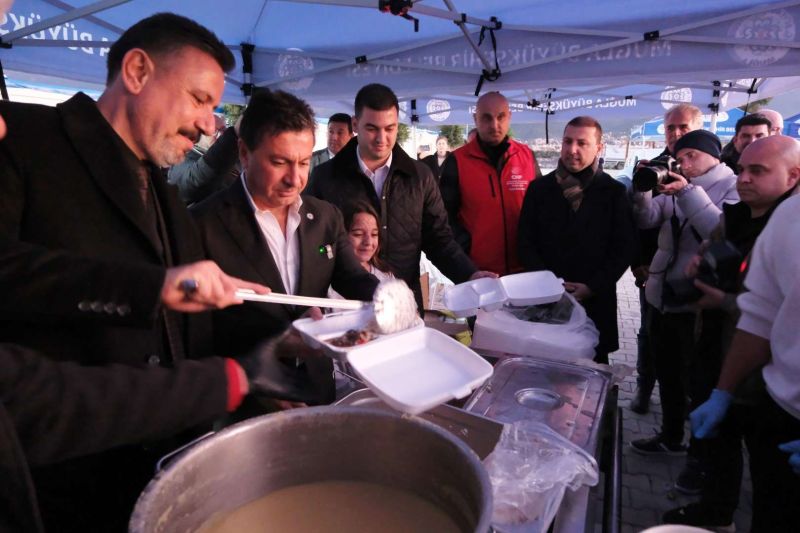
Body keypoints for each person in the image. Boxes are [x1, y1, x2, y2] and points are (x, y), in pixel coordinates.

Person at [0, 13, 308, 531]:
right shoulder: (24, 142)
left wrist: (286, 347)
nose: (210, 124)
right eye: (199, 99)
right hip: (60, 491)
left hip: (166, 476)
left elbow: (188, 330)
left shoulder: (165, 191)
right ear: (138, 71)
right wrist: (151, 288)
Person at [662, 136, 800, 530]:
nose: (744, 179)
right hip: (726, 350)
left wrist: (724, 300)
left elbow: (774, 316)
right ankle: (717, 510)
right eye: (742, 169)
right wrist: (699, 267)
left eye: (758, 171)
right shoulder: (742, 218)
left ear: (794, 176)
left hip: (766, 371)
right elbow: (761, 312)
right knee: (725, 445)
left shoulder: (782, 220)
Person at [192, 90, 379, 358]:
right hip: (247, 389)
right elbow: (197, 331)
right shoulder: (203, 224)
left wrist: (386, 296)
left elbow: (352, 278)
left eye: (304, 163)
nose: (295, 179)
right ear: (244, 153)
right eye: (280, 162)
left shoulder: (326, 217)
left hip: (315, 382)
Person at [305, 83, 494, 310]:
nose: (381, 138)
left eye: (390, 128)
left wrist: (469, 274)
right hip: (344, 309)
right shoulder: (325, 177)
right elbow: (312, 245)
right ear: (355, 124)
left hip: (404, 307)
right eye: (372, 128)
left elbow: (439, 240)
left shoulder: (420, 177)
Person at [691, 185, 800, 533]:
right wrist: (723, 391)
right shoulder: (788, 217)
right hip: (781, 410)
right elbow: (760, 316)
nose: (746, 178)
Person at [630, 129, 739, 457]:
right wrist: (642, 189)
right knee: (667, 373)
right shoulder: (675, 182)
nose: (685, 162)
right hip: (663, 294)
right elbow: (647, 219)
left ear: (714, 156)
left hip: (699, 304)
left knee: (697, 380)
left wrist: (688, 191)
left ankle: (700, 452)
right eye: (681, 156)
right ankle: (670, 434)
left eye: (692, 155)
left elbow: (720, 234)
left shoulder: (732, 186)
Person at [517, 116, 635, 365]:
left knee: (591, 378)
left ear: (599, 148)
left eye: (582, 143)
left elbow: (624, 249)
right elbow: (525, 242)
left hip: (595, 303)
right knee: (543, 373)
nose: (572, 150)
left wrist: (592, 286)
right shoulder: (539, 189)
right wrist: (550, 284)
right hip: (546, 302)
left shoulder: (613, 193)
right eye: (568, 141)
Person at [630, 103, 704, 414]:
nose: (675, 133)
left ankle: (685, 399)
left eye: (683, 127)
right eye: (670, 127)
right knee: (649, 335)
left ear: (698, 129)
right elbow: (636, 222)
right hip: (653, 271)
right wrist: (637, 263)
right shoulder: (654, 165)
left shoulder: (713, 165)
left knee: (692, 344)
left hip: (698, 278)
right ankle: (644, 390)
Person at [440, 92, 542, 276]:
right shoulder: (457, 161)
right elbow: (444, 218)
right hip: (479, 274)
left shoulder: (526, 156)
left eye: (501, 117)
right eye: (486, 118)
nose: (494, 125)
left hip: (525, 273)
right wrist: (467, 250)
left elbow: (542, 209)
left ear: (509, 117)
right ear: (475, 119)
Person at [167, 113, 241, 205]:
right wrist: (233, 136)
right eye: (216, 130)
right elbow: (196, 180)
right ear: (196, 134)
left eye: (224, 129)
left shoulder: (234, 157)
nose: (223, 134)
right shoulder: (181, 161)